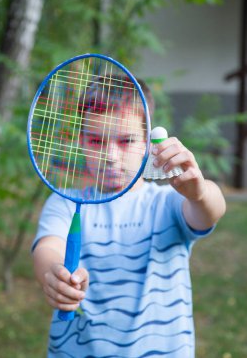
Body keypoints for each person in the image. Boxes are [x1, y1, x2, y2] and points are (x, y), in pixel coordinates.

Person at [32, 75, 226, 358]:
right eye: (96, 140)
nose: (110, 156)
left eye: (126, 140)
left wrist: (198, 192)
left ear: (149, 142)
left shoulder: (167, 203)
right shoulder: (64, 203)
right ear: (80, 141)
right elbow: (48, 249)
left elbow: (211, 210)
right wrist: (54, 275)